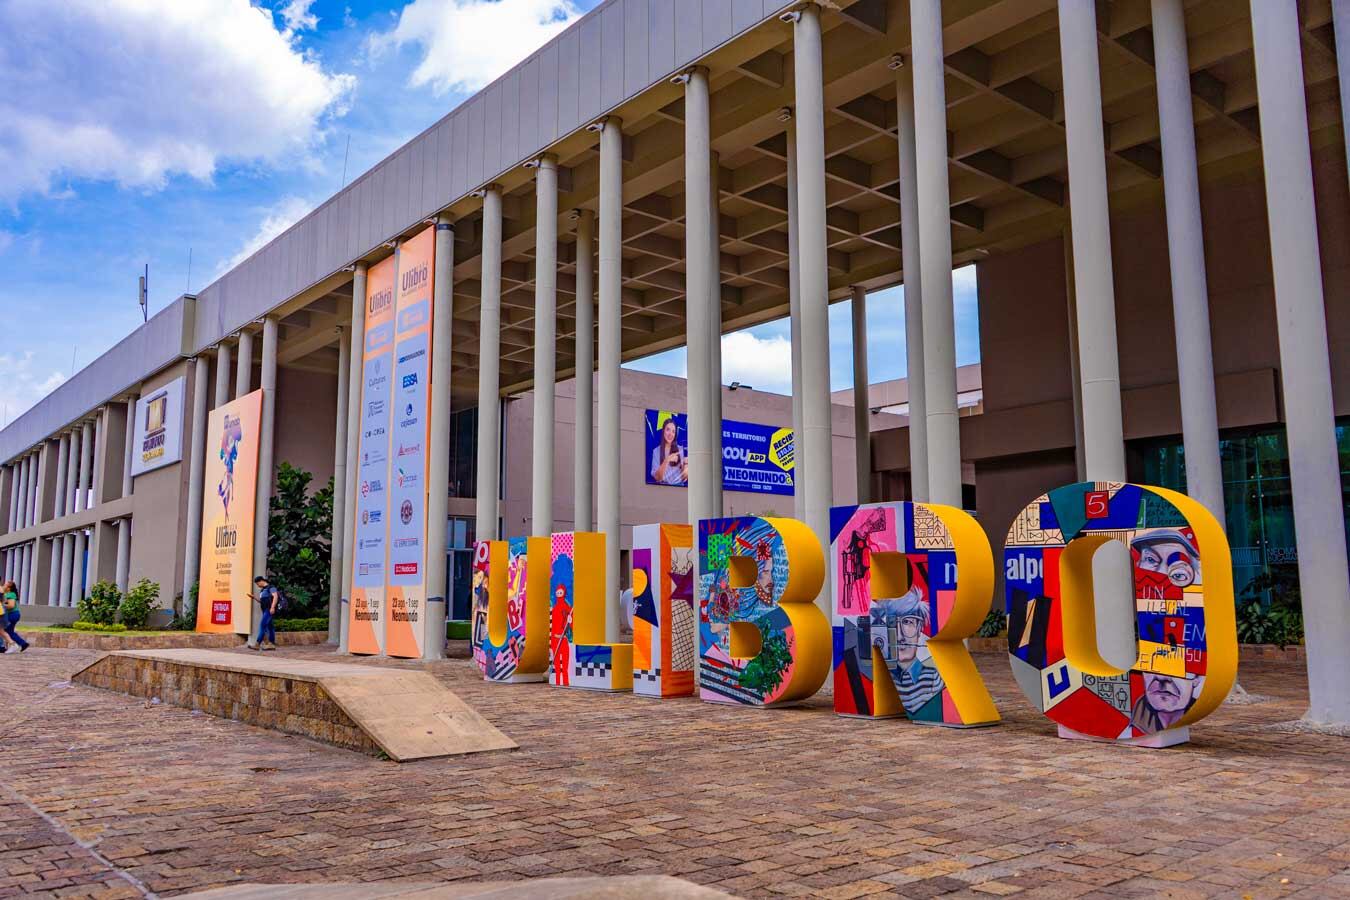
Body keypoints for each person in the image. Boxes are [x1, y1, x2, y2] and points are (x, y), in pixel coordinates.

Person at [649, 416, 688, 486]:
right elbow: (657, 478)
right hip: (663, 488)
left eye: (673, 431)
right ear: (663, 431)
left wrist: (686, 465)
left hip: (679, 488)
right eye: (668, 430)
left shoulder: (680, 450)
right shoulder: (656, 451)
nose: (670, 434)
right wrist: (667, 460)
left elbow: (684, 478)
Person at [251, 575, 279, 651]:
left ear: (261, 581)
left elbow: (275, 596)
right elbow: (262, 601)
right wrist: (254, 597)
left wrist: (272, 607)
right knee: (270, 627)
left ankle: (257, 644)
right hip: (264, 610)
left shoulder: (271, 587)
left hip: (269, 609)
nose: (257, 585)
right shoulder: (262, 590)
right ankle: (271, 644)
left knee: (262, 625)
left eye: (257, 583)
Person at [2, 581, 29, 653]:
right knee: (9, 631)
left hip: (12, 614)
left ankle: (14, 645)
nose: (3, 586)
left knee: (6, 631)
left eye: (5, 585)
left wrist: (2, 606)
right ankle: (23, 644)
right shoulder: (7, 594)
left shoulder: (11, 594)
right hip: (12, 615)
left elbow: (11, 605)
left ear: (9, 588)